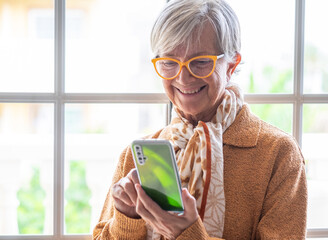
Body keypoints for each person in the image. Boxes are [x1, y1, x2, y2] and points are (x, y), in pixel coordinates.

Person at [93, 0, 307, 239]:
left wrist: (187, 233)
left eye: (201, 62)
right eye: (169, 63)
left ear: (231, 65)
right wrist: (127, 217)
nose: (183, 78)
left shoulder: (278, 154)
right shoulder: (136, 156)